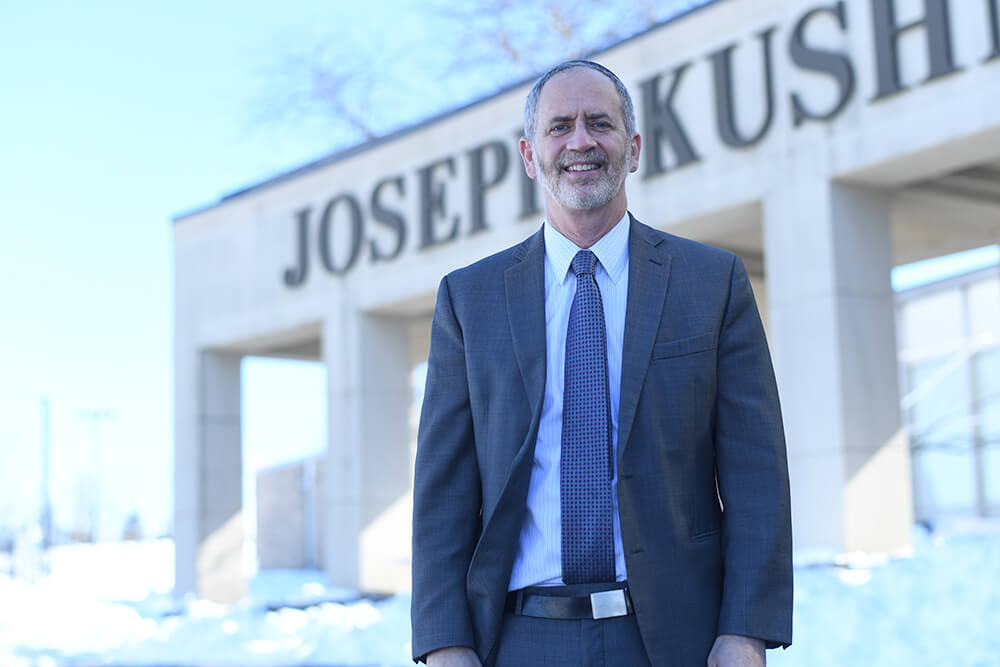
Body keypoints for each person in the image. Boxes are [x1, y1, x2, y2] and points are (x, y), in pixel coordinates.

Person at [411, 59, 792, 667]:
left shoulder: (710, 283)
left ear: (633, 148)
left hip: (673, 640)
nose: (581, 141)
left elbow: (756, 472)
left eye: (600, 123)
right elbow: (443, 491)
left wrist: (747, 629)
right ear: (530, 156)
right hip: (518, 641)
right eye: (559, 126)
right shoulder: (469, 299)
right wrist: (443, 642)